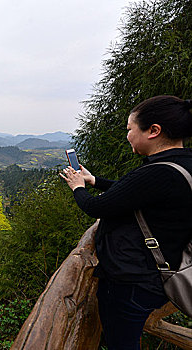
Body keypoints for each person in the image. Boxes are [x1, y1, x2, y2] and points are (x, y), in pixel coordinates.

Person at [60, 95, 192, 350]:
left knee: (122, 342)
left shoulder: (158, 171)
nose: (128, 136)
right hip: (159, 272)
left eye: (130, 129)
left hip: (133, 281)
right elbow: (131, 192)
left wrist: (77, 187)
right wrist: (94, 180)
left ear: (153, 131)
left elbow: (96, 207)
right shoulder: (181, 163)